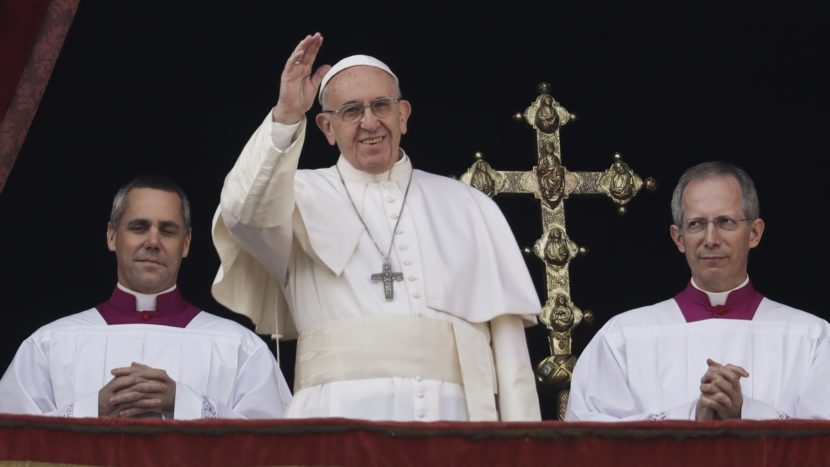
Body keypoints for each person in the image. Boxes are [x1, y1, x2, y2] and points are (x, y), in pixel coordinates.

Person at [211, 33, 542, 421]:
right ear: (327, 127)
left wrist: (520, 440)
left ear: (403, 115)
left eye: (381, 106)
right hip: (335, 422)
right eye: (351, 111)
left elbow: (511, 356)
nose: (370, 122)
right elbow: (241, 213)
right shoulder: (294, 197)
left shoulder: (469, 206)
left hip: (455, 424)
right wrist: (286, 114)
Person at [0, 176, 292, 419]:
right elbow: (13, 445)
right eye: (139, 227)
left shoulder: (239, 348)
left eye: (167, 230)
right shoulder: (49, 344)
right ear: (112, 236)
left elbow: (274, 448)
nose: (153, 242)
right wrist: (94, 409)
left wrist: (185, 403)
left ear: (186, 243)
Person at [565, 161, 830, 421]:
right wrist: (692, 416)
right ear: (679, 238)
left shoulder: (813, 338)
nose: (711, 239)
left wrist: (746, 412)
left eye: (725, 222)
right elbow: (589, 437)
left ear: (754, 233)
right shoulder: (622, 337)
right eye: (696, 224)